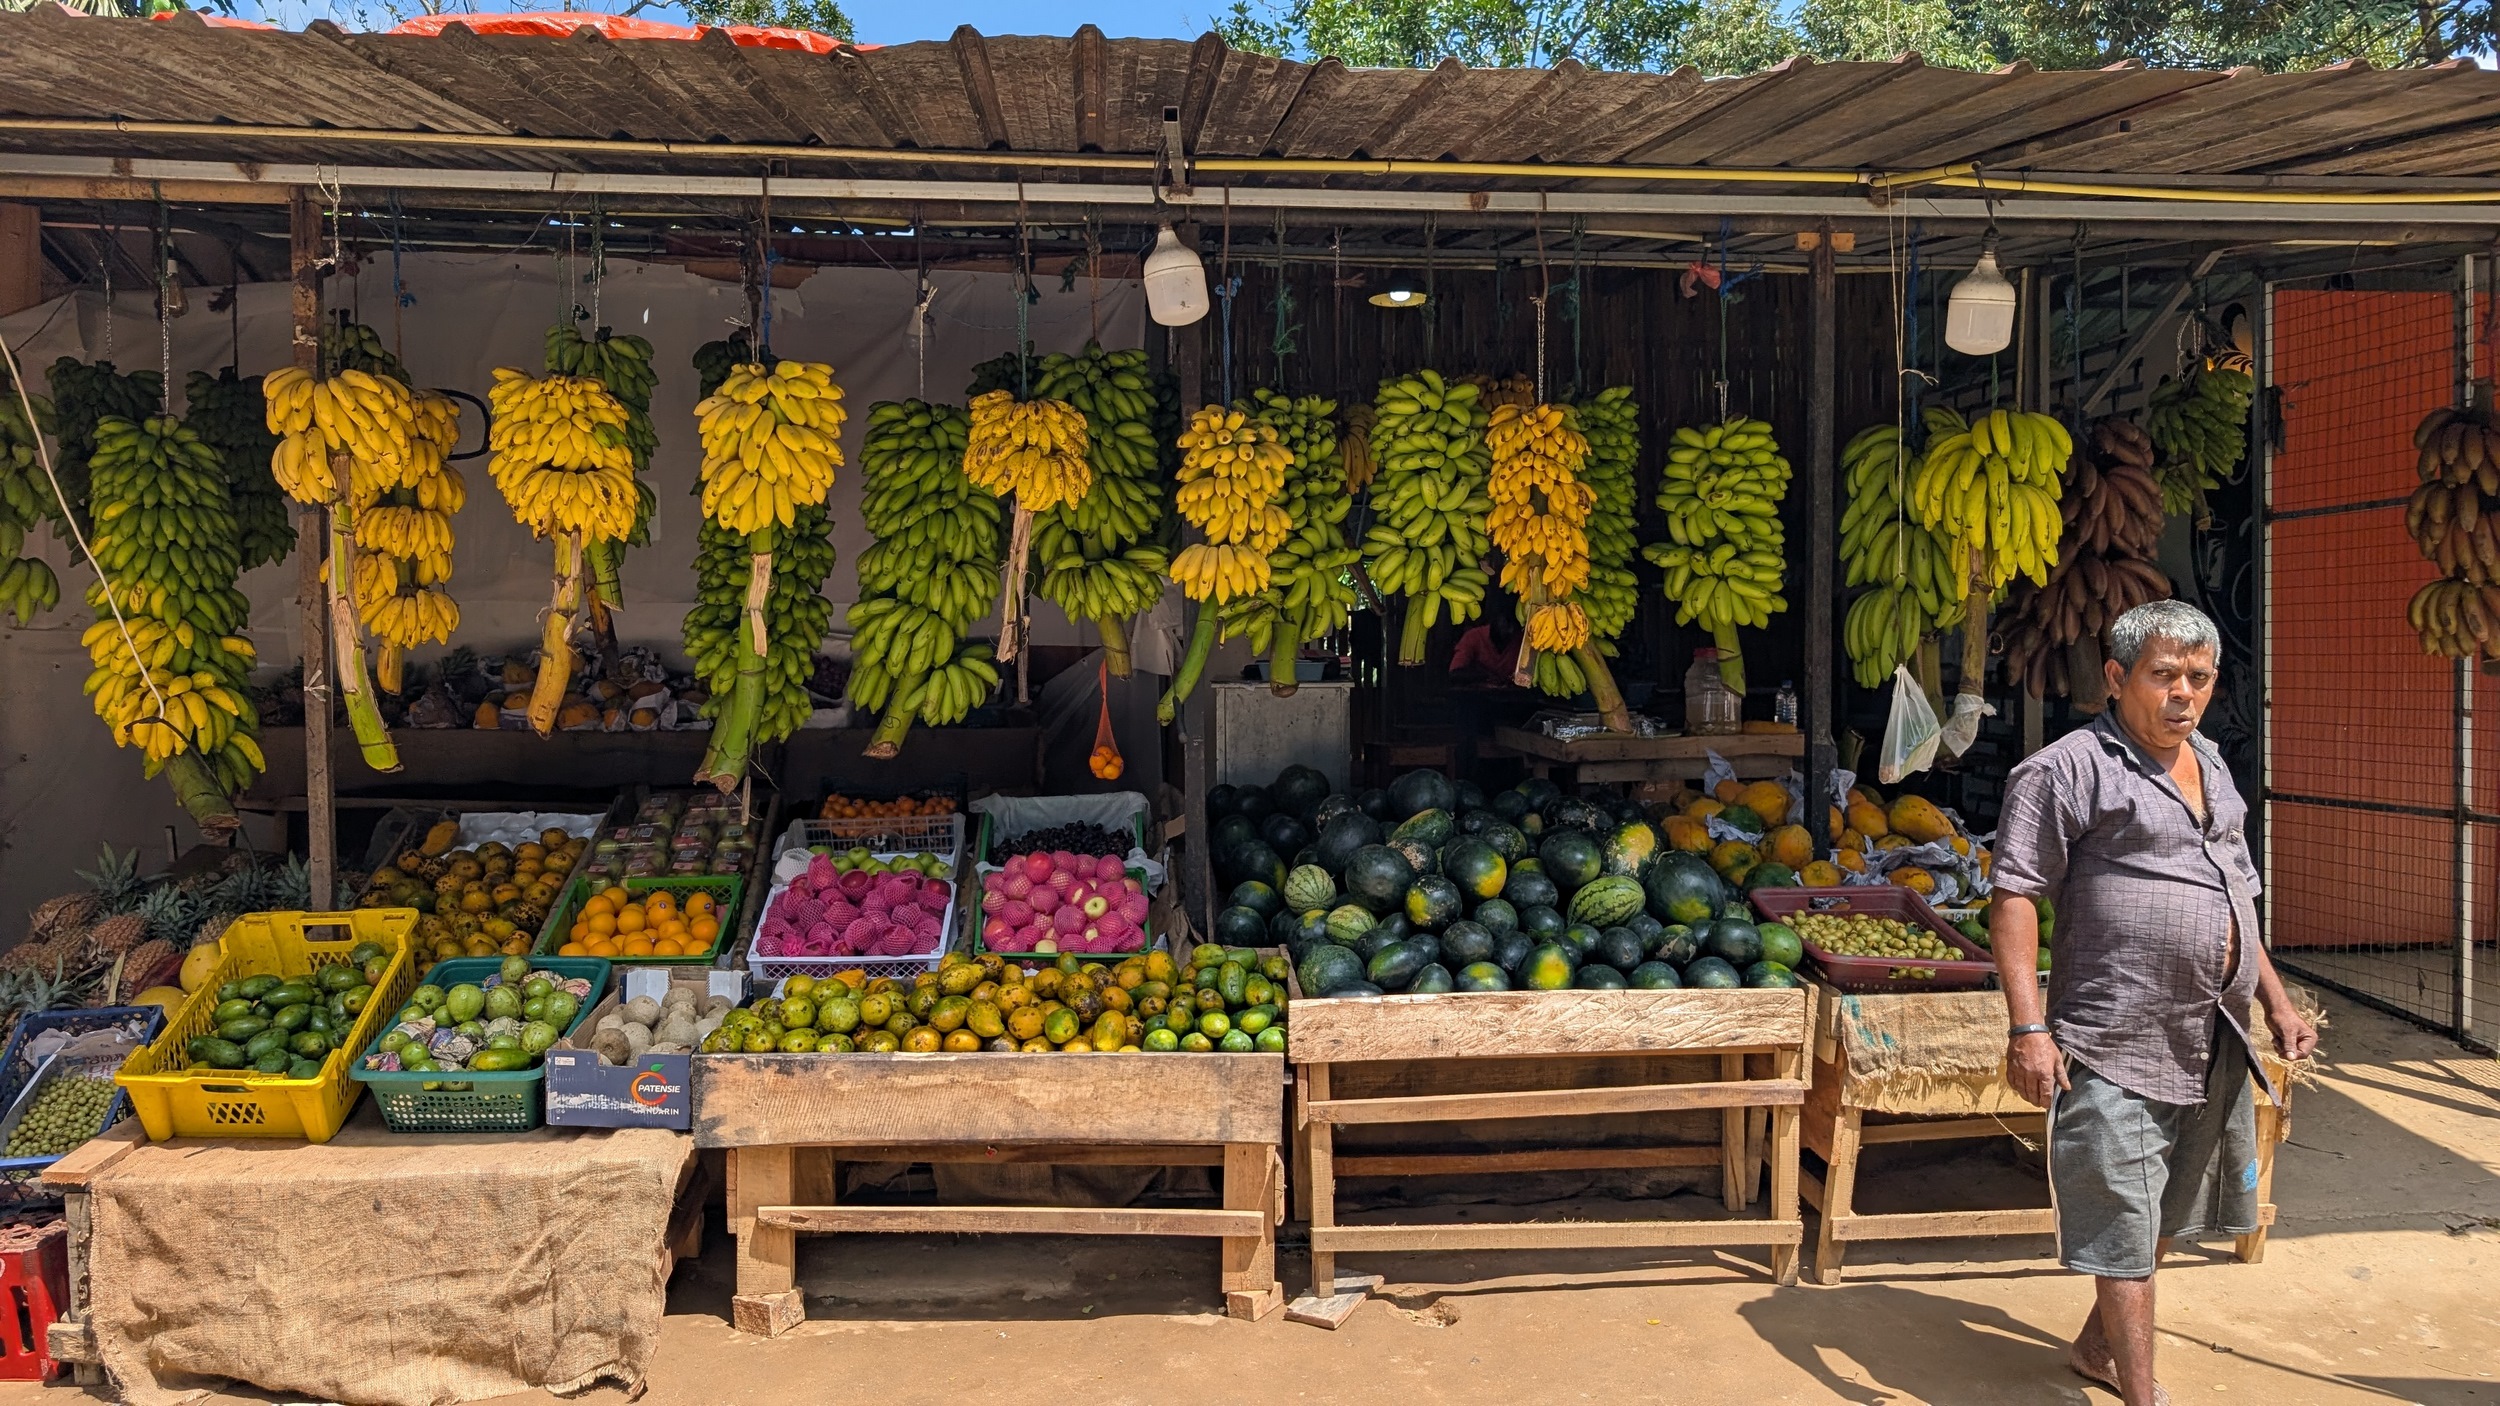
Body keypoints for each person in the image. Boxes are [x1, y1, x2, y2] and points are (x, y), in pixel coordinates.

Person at [1989, 600, 2316, 1406]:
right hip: (2113, 1033)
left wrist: (2277, 1001)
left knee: (2168, 1206)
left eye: (2199, 679)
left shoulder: (2212, 763)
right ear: (2117, 677)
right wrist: (2029, 1028)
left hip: (2212, 1032)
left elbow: (2237, 891)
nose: (2183, 695)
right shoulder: (2064, 770)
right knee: (2121, 1215)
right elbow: (2016, 895)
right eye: (2164, 676)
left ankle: (2099, 1349)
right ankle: (2142, 1393)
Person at [1448, 609, 1521, 685]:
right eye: (1506, 625)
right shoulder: (1473, 637)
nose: (1510, 630)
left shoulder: (1519, 640)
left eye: (1512, 626)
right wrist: (1484, 676)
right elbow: (1454, 673)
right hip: (1477, 693)